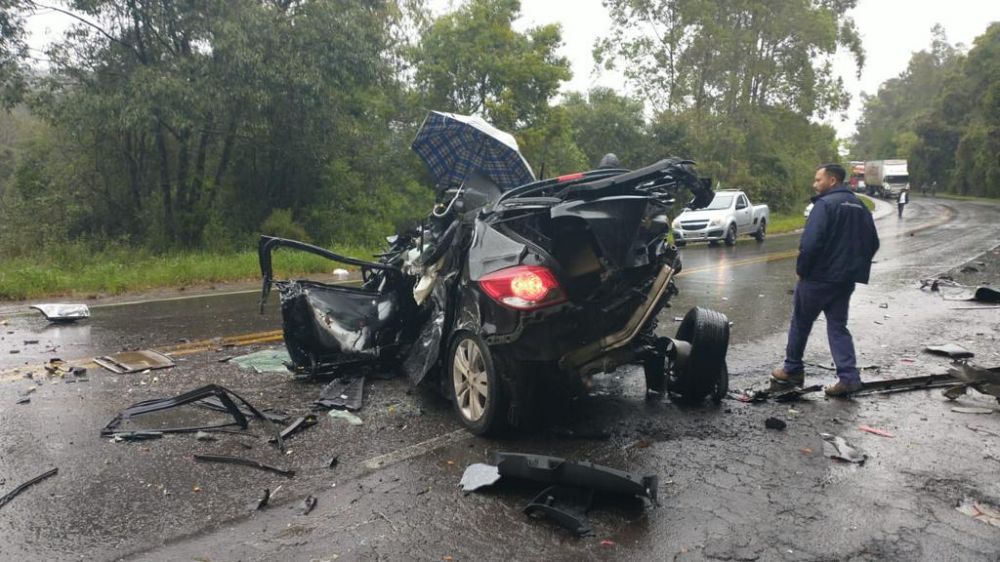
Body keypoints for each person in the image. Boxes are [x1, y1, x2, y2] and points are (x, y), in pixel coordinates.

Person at [771, 163, 880, 397]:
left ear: (832, 181)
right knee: (838, 327)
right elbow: (873, 243)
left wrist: (802, 269)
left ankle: (792, 369)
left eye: (818, 179)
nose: (814, 184)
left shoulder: (824, 205)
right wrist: (853, 267)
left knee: (801, 323)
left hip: (817, 278)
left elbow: (811, 243)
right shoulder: (860, 207)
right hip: (844, 281)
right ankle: (849, 377)